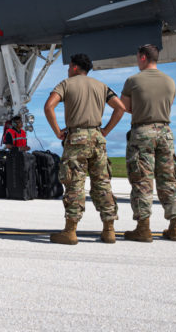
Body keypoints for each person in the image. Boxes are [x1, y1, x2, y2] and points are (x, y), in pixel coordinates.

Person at [44, 53, 124, 244]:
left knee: (75, 184)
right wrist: (105, 130)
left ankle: (70, 231)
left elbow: (49, 106)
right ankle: (109, 230)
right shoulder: (101, 86)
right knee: (102, 183)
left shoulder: (66, 84)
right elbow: (120, 107)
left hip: (76, 138)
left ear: (74, 67)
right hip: (97, 138)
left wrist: (57, 131)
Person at [120, 44, 176, 242]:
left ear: (142, 57)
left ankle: (143, 228)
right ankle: (175, 227)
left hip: (142, 132)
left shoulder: (133, 81)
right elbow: (169, 105)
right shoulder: (170, 82)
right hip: (165, 132)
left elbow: (126, 107)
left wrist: (142, 109)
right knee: (169, 180)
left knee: (142, 181)